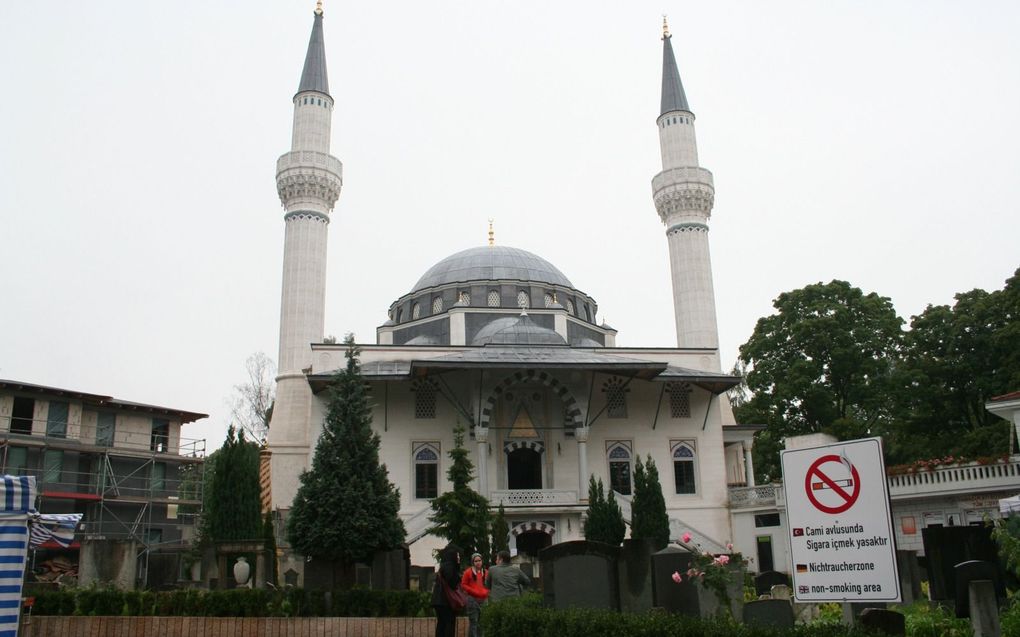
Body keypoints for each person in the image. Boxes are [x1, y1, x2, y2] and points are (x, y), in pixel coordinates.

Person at [431, 543, 462, 637]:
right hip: (446, 601)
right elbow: (452, 583)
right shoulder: (450, 566)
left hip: (439, 600)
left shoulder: (443, 565)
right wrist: (458, 569)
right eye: (457, 555)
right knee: (449, 623)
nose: (458, 557)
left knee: (441, 624)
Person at [460, 552, 489, 637]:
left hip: (484, 600)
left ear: (482, 561)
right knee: (474, 622)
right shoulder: (468, 572)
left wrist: (487, 592)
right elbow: (463, 585)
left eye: (479, 560)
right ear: (473, 562)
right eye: (476, 561)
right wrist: (473, 591)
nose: (478, 562)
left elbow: (489, 584)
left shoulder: (486, 572)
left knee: (482, 622)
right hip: (472, 600)